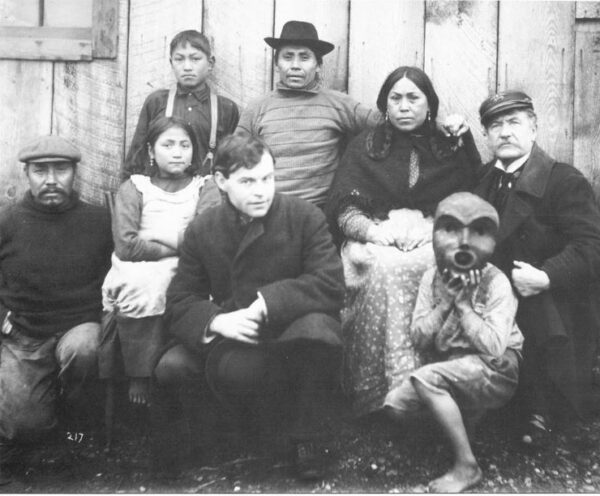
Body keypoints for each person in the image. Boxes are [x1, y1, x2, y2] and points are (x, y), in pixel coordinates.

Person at [151, 133, 344, 480]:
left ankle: (308, 440)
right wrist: (216, 322)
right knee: (172, 365)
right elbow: (179, 300)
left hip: (292, 330)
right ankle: (218, 441)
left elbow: (330, 283)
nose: (261, 191)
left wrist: (269, 303)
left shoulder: (305, 217)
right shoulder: (203, 229)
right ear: (222, 182)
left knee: (319, 334)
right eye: (248, 181)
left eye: (268, 178)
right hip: (236, 332)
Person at [325, 66, 482, 416]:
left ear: (430, 104)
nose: (404, 106)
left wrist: (435, 230)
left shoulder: (449, 146)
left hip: (434, 232)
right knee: (382, 266)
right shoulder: (364, 146)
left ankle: (433, 388)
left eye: (414, 98)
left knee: (429, 264)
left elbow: (470, 196)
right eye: (395, 98)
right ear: (385, 104)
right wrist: (374, 232)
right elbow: (344, 205)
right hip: (376, 233)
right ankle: (382, 389)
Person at [473, 91, 600, 444]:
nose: (505, 132)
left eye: (514, 122)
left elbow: (591, 246)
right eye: (495, 125)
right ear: (486, 135)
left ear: (534, 128)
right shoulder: (481, 181)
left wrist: (547, 276)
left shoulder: (563, 180)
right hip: (492, 296)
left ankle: (538, 409)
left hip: (552, 302)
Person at [384, 192, 523, 493]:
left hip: (495, 369)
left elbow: (495, 346)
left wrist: (463, 307)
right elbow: (419, 337)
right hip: (453, 369)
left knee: (427, 380)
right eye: (450, 230)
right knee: (395, 406)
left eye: (476, 232)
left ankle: (466, 466)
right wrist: (444, 304)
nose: (463, 243)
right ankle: (457, 431)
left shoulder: (496, 282)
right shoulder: (431, 279)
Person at [0, 136, 112, 483]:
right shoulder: (7, 222)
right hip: (24, 337)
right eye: (40, 171)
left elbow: (116, 276)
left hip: (78, 329)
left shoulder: (98, 221)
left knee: (85, 348)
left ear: (74, 174)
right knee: (23, 427)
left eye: (60, 169)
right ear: (27, 176)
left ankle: (76, 428)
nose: (50, 180)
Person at [101, 116, 221, 405]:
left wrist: (160, 237)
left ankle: (179, 364)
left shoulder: (205, 187)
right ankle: (139, 373)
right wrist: (177, 243)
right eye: (168, 145)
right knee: (141, 284)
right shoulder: (136, 187)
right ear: (152, 152)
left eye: (185, 145)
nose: (178, 152)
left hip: (190, 265)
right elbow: (127, 246)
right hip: (136, 266)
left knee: (185, 284)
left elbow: (202, 239)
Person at [236, 20, 381, 207]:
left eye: (304, 58)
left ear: (318, 65)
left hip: (320, 212)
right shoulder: (257, 108)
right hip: (269, 210)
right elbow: (232, 159)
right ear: (276, 64)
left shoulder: (338, 103)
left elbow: (382, 122)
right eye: (287, 57)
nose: (295, 65)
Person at [123, 30, 239, 179]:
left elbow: (232, 161)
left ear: (210, 63)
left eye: (195, 59)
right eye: (179, 59)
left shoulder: (226, 108)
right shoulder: (156, 102)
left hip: (206, 195)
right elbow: (136, 155)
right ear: (171, 63)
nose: (187, 67)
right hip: (161, 191)